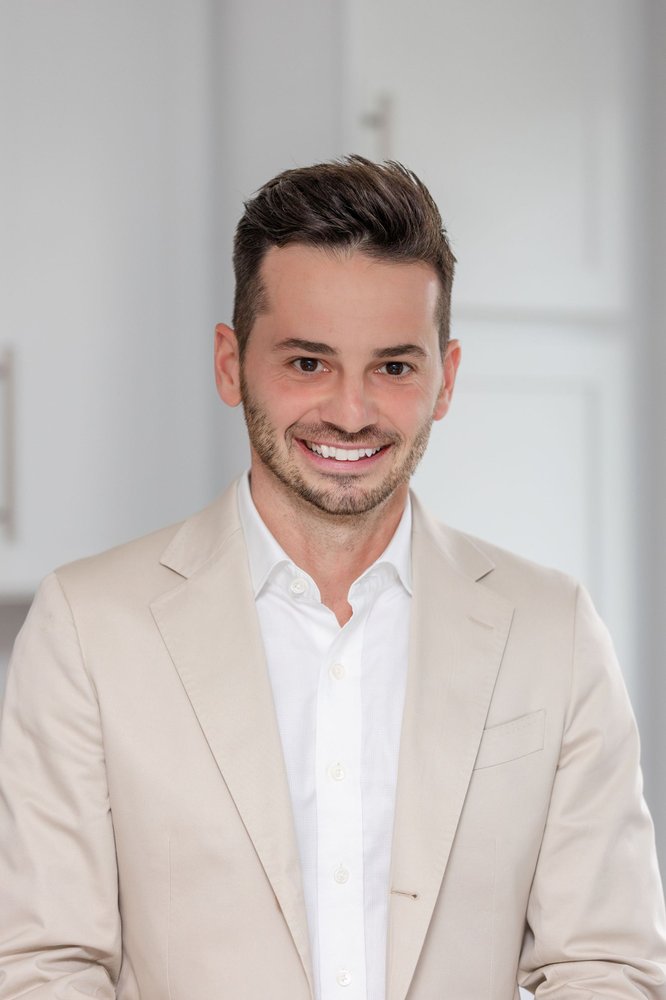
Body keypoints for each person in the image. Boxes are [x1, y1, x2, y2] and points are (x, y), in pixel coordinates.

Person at [0, 156, 664, 1000]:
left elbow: (607, 967)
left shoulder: (553, 630)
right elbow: (43, 968)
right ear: (230, 364)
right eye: (308, 363)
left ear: (446, 379)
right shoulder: (88, 628)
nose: (351, 413)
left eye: (394, 367)